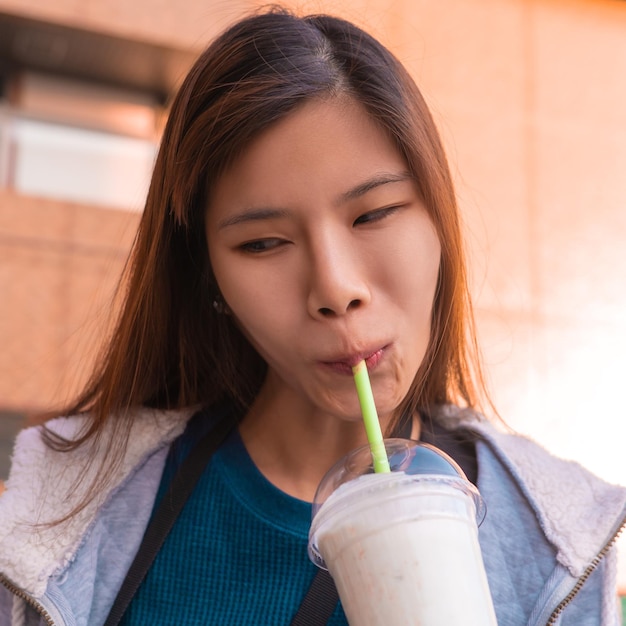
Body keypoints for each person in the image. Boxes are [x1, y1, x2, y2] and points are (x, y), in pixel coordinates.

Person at [0, 7, 624, 626]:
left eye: (373, 214)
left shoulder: (560, 546)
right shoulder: (69, 514)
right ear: (209, 276)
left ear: (440, 223)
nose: (335, 288)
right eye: (263, 244)